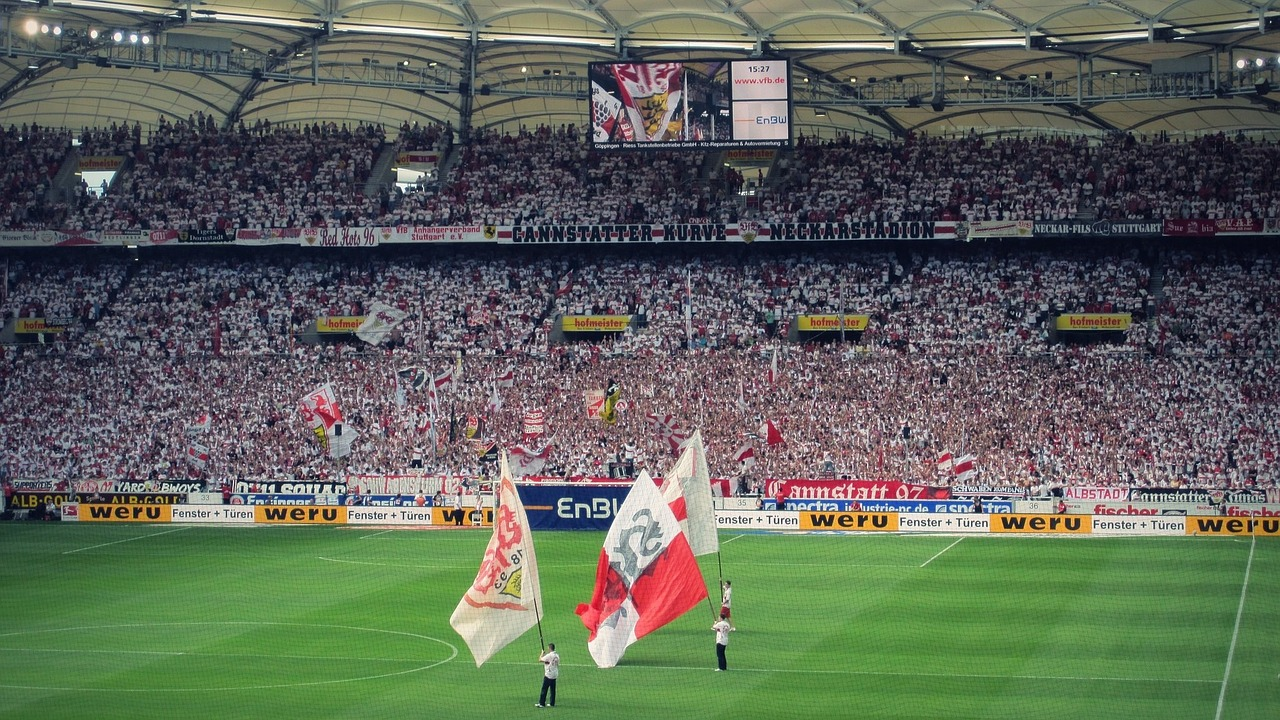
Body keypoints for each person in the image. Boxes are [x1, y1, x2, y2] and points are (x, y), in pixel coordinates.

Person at [536, 643, 559, 708]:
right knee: (552, 689)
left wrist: (542, 653)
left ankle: (542, 703)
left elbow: (540, 659)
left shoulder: (549, 655)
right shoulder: (557, 655)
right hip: (554, 674)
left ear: (549, 648)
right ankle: (552, 703)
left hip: (549, 675)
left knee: (544, 689)